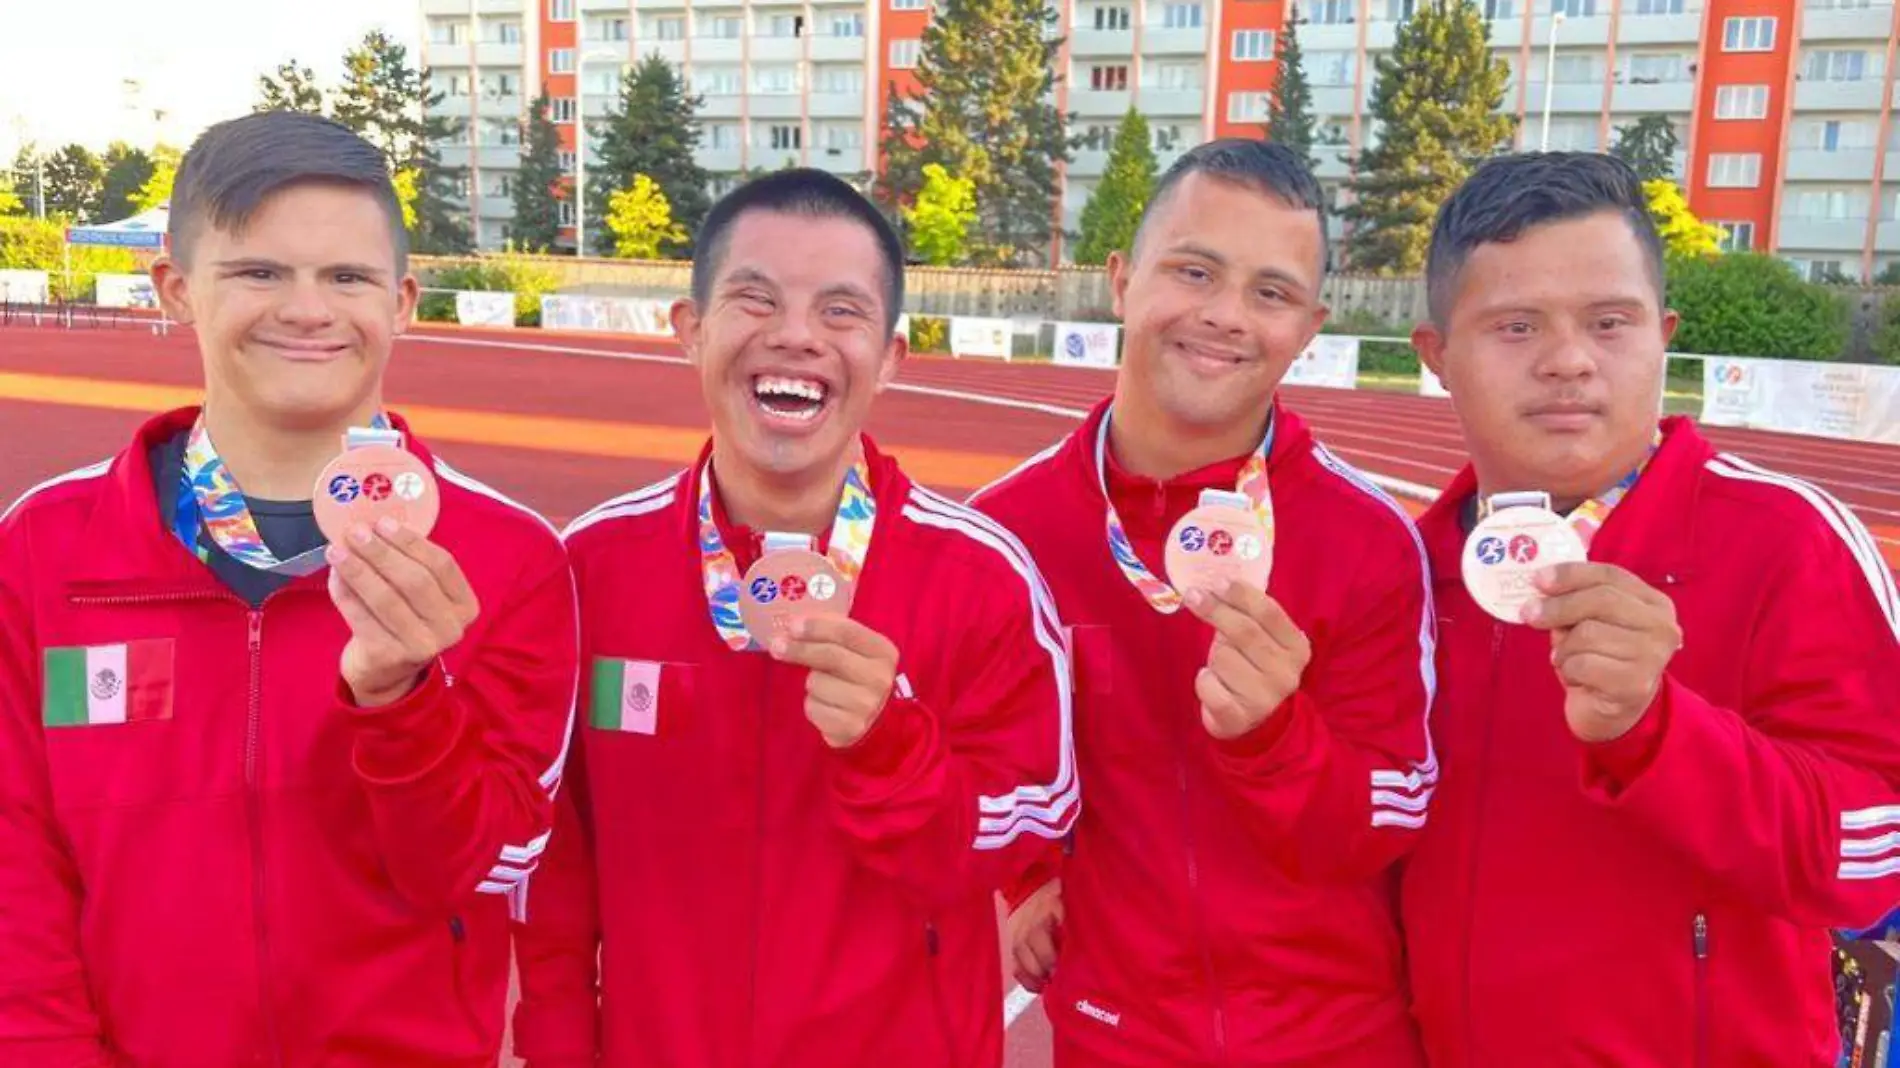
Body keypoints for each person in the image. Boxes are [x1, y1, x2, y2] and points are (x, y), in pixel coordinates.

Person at [0, 112, 577, 1067]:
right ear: (176, 290)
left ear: (401, 300)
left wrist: (401, 704)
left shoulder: (508, 554)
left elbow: (488, 869)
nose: (308, 309)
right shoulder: (46, 547)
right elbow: (14, 864)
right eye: (259, 272)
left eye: (346, 277)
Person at [511, 168, 1076, 1068]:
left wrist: (893, 748)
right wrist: (556, 1044)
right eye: (755, 298)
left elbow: (1020, 837)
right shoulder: (589, 568)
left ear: (890, 356)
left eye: (841, 312)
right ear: (690, 332)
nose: (796, 336)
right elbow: (553, 862)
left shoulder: (981, 577)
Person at [1401, 151, 1900, 1066]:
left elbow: (1877, 855)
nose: (1568, 361)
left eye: (1609, 322)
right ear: (1436, 357)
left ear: (1662, 335)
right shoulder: (1405, 572)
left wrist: (1661, 734)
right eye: (1515, 326)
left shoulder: (1787, 542)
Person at [972, 139, 1436, 1066]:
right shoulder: (1004, 535)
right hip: (1114, 1038)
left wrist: (1275, 740)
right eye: (1194, 271)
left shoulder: (1370, 540)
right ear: (1121, 279)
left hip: (1336, 1043)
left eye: (1271, 292)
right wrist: (1024, 876)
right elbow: (987, 763)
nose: (1225, 316)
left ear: (1310, 324)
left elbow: (1390, 820)